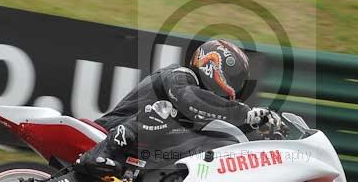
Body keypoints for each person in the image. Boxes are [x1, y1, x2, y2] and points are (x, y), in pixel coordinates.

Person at [76, 38, 273, 175]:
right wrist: (245, 113)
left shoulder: (201, 99)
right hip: (110, 130)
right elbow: (190, 100)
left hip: (145, 150)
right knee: (164, 111)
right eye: (234, 78)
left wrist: (263, 132)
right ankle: (99, 155)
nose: (235, 87)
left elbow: (216, 115)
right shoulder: (179, 75)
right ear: (212, 64)